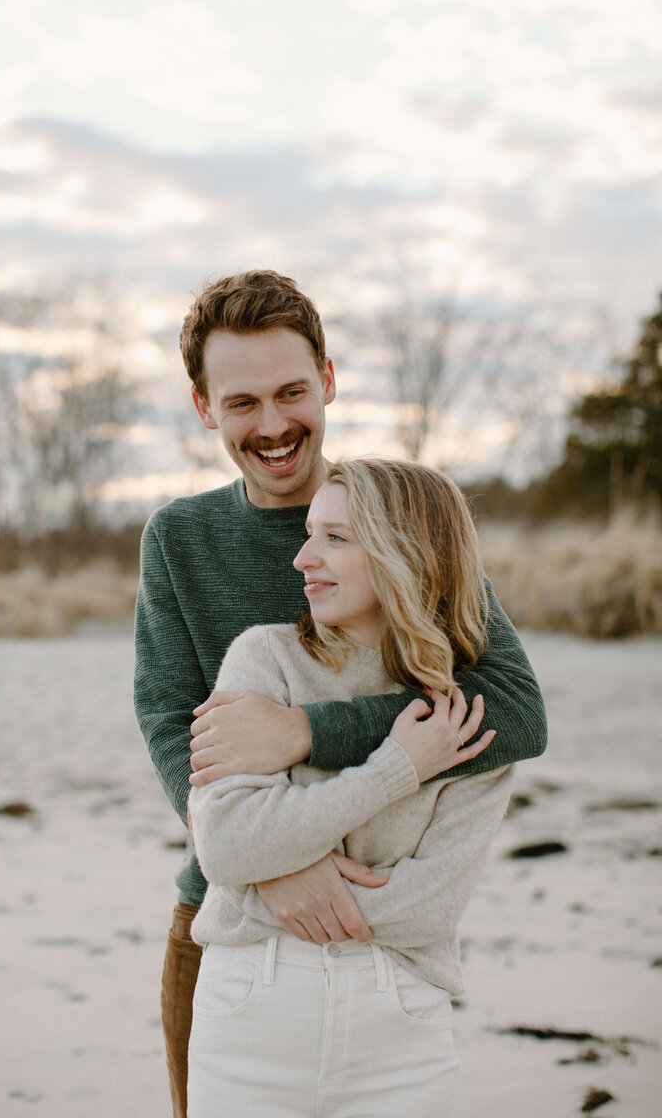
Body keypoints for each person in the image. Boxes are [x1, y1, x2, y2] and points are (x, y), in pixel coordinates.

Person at [133, 270, 547, 1118]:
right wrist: (267, 865)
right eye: (241, 402)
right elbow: (172, 722)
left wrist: (305, 732)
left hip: (382, 928)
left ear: (328, 378)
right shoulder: (180, 537)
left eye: (292, 392)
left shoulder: (399, 520)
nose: (274, 425)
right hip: (225, 918)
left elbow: (512, 707)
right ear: (205, 407)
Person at [186, 457, 520, 1116]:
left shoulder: (470, 709)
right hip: (252, 1010)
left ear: (407, 552)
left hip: (399, 1026)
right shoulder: (264, 659)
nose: (303, 558)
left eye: (335, 537)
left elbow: (430, 905)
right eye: (310, 533)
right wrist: (398, 768)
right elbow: (224, 848)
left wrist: (261, 884)